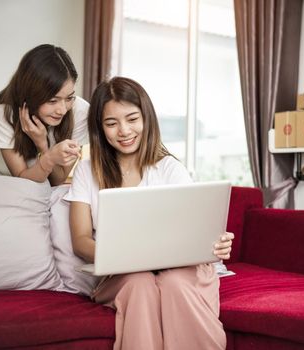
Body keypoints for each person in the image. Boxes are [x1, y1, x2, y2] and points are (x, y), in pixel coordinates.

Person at [64, 76, 233, 350]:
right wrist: (129, 258)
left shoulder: (169, 168)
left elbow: (194, 231)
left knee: (175, 282)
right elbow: (81, 240)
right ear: (99, 128)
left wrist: (214, 242)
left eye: (132, 119)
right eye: (111, 123)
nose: (124, 131)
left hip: (182, 271)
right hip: (123, 275)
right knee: (139, 282)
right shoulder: (86, 171)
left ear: (146, 118)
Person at [0, 44, 88, 186]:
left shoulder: (81, 111)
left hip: (40, 179)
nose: (62, 110)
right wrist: (49, 156)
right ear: (30, 95)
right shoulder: (3, 114)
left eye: (69, 98)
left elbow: (57, 179)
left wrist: (43, 146)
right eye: (52, 100)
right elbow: (22, 180)